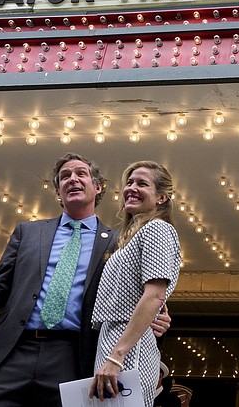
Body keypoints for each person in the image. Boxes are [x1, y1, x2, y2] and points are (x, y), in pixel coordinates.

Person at [0, 153, 171, 407]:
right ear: (58, 192)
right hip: (12, 351)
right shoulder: (29, 233)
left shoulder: (118, 243)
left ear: (98, 187)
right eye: (65, 176)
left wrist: (160, 318)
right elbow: (0, 288)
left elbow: (138, 295)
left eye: (81, 174)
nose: (72, 179)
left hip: (73, 355)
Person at [89, 161, 181, 406]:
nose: (131, 188)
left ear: (162, 196)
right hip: (113, 341)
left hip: (128, 346)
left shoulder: (158, 229)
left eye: (142, 183)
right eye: (129, 182)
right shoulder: (129, 238)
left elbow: (154, 296)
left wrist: (117, 357)